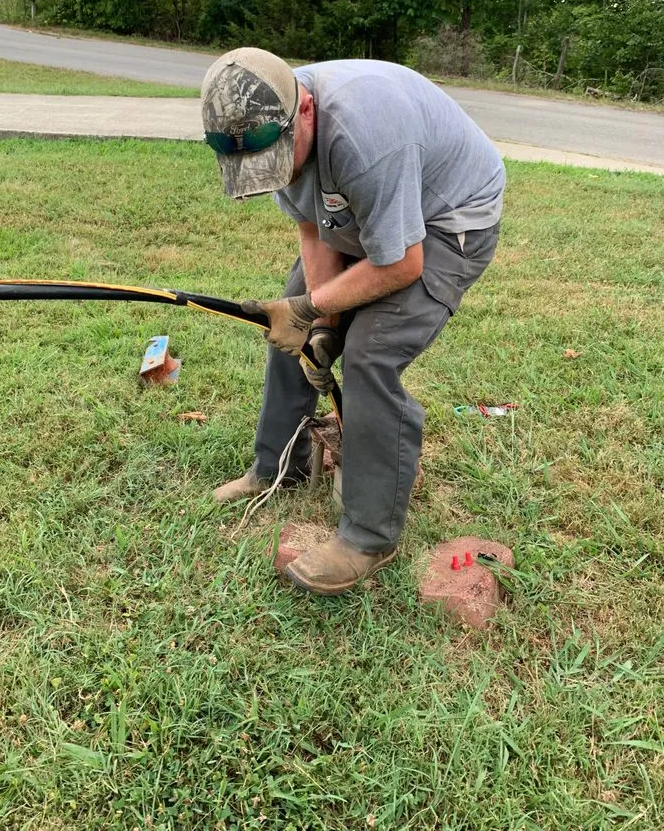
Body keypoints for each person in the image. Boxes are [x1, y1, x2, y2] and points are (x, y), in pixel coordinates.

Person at [200, 48, 505, 595]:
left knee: (369, 355)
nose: (278, 175)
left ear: (307, 111)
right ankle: (277, 466)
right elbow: (314, 228)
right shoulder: (272, 129)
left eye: (280, 160)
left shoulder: (365, 138)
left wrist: (326, 317)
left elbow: (402, 263)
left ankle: (369, 535)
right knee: (287, 330)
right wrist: (315, 321)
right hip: (367, 217)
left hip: (446, 224)